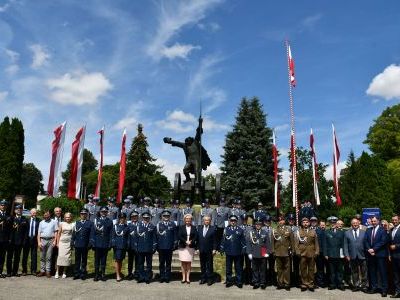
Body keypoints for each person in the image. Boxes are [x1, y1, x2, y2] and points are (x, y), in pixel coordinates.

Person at [364, 215, 389, 297]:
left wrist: (374, 249)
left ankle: (384, 290)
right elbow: (365, 241)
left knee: (382, 272)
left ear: (378, 221)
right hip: (370, 255)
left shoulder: (383, 230)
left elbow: (383, 242)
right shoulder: (368, 230)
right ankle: (373, 288)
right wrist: (369, 249)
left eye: (375, 221)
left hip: (380, 255)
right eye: (372, 221)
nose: (373, 222)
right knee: (372, 272)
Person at [221, 214, 246, 288]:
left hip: (238, 252)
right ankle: (229, 281)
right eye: (231, 220)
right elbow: (223, 240)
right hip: (229, 251)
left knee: (238, 268)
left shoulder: (240, 230)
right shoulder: (226, 229)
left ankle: (239, 281)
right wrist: (222, 247)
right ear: (229, 221)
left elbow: (243, 241)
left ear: (237, 221)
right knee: (228, 268)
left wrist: (244, 249)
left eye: (234, 220)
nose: (233, 222)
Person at [294, 217, 319, 292]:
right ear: (301, 223)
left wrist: (317, 251)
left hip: (311, 253)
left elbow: (316, 243)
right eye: (304, 222)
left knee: (311, 269)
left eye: (307, 222)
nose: (305, 223)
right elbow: (296, 243)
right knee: (303, 269)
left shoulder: (313, 232)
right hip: (302, 254)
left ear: (309, 223)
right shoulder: (298, 232)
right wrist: (297, 252)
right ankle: (304, 284)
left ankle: (311, 284)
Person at [343, 217, 367, 292]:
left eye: (356, 223)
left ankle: (364, 286)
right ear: (351, 224)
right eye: (353, 223)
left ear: (359, 223)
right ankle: (356, 285)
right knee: (354, 271)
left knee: (364, 271)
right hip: (352, 255)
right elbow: (345, 245)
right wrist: (346, 255)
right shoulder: (347, 233)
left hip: (362, 255)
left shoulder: (364, 232)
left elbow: (366, 244)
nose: (355, 224)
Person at [90, 206, 113, 281]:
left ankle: (103, 274)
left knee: (104, 260)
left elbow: (111, 234)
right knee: (96, 260)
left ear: (107, 213)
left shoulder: (109, 221)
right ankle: (96, 274)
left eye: (105, 212)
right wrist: (93, 243)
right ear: (100, 212)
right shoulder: (96, 220)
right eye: (102, 212)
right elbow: (93, 232)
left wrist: (110, 243)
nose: (104, 213)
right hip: (97, 243)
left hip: (105, 243)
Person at [323, 216, 345, 290]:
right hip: (330, 254)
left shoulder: (342, 232)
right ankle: (332, 284)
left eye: (334, 223)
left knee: (340, 270)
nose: (333, 224)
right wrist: (325, 254)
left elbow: (343, 244)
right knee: (331, 271)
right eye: (331, 223)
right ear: (329, 224)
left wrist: (343, 254)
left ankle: (340, 284)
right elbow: (325, 244)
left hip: (339, 254)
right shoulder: (326, 232)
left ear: (336, 224)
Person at [71, 208, 93, 280]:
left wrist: (90, 243)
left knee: (84, 259)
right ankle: (76, 273)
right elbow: (74, 233)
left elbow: (91, 234)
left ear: (87, 215)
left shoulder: (90, 223)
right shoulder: (76, 222)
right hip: (77, 244)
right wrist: (72, 241)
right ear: (80, 214)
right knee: (77, 259)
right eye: (82, 214)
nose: (83, 215)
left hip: (85, 244)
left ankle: (83, 273)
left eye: (85, 214)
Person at [248, 217, 269, 289]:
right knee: (255, 269)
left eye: (259, 224)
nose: (258, 225)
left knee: (263, 269)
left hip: (263, 253)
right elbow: (249, 243)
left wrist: (267, 252)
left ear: (261, 225)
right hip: (254, 253)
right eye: (256, 224)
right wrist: (249, 253)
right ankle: (256, 282)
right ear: (255, 225)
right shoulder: (251, 232)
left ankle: (262, 282)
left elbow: (267, 243)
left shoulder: (264, 232)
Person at [156, 210, 177, 283]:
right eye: (164, 216)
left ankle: (167, 276)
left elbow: (175, 235)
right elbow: (156, 236)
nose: (166, 217)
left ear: (170, 216)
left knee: (168, 263)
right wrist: (156, 245)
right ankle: (162, 276)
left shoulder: (173, 224)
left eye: (167, 216)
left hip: (169, 246)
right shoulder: (159, 224)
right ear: (162, 216)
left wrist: (175, 244)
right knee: (161, 262)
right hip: (161, 247)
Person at [7, 204, 28, 277]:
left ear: (22, 211)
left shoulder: (24, 219)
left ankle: (15, 271)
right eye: (17, 209)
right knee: (9, 257)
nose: (19, 210)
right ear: (15, 210)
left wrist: (24, 241)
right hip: (11, 241)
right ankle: (9, 272)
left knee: (17, 257)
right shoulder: (11, 218)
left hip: (20, 242)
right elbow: (8, 230)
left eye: (20, 209)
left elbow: (26, 232)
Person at [273, 215, 293, 290]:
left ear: (284, 221)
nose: (281, 222)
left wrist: (292, 250)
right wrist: (273, 251)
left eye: (282, 220)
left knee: (287, 268)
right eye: (279, 220)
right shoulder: (275, 230)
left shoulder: (289, 229)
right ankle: (280, 283)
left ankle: (287, 283)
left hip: (286, 252)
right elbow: (273, 241)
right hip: (278, 251)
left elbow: (292, 241)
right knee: (279, 268)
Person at [136, 211, 157, 284]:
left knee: (149, 264)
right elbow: (136, 237)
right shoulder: (138, 226)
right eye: (144, 218)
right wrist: (136, 246)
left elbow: (154, 237)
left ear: (149, 218)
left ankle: (148, 277)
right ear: (142, 218)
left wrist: (154, 246)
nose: (146, 219)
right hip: (140, 248)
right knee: (140, 263)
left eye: (147, 218)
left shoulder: (152, 226)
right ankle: (141, 277)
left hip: (149, 248)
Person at [37, 210, 58, 278]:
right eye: (45, 215)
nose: (46, 216)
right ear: (43, 215)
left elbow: (56, 232)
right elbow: (39, 233)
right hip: (43, 240)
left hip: (51, 240)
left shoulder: (54, 222)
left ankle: (48, 271)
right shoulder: (41, 222)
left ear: (50, 215)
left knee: (49, 257)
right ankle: (42, 271)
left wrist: (55, 241)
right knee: (42, 257)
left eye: (47, 215)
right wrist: (39, 242)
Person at [197, 215, 217, 285]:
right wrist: (197, 248)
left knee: (209, 265)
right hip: (201, 250)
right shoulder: (199, 228)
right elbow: (198, 240)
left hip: (209, 250)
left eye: (208, 220)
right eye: (205, 220)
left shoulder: (213, 229)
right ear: (203, 221)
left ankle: (209, 279)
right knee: (202, 265)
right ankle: (203, 278)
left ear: (210, 221)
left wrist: (214, 249)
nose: (206, 221)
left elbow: (215, 240)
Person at [178, 214, 198, 284]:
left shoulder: (194, 227)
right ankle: (183, 277)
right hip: (183, 247)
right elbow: (179, 236)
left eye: (189, 219)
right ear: (184, 220)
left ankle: (188, 278)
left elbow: (196, 236)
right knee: (183, 263)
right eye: (186, 219)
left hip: (190, 246)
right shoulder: (181, 227)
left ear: (191, 220)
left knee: (189, 263)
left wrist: (191, 241)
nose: (188, 220)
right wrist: (185, 241)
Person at [55, 212, 74, 279]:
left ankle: (64, 272)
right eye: (66, 217)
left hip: (68, 243)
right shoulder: (61, 223)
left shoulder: (73, 224)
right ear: (64, 218)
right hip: (62, 242)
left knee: (67, 257)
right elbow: (58, 233)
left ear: (71, 217)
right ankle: (57, 272)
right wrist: (57, 243)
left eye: (69, 217)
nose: (67, 218)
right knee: (60, 256)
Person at [22, 208, 40, 276]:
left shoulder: (39, 220)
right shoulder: (26, 220)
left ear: (36, 213)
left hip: (35, 240)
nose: (34, 214)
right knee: (25, 256)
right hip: (26, 240)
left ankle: (33, 270)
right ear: (30, 213)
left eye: (35, 212)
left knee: (34, 256)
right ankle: (24, 270)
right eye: (33, 212)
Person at [111, 213, 128, 282]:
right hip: (117, 246)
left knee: (120, 260)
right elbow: (113, 236)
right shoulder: (115, 226)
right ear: (119, 219)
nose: (122, 219)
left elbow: (127, 237)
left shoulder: (127, 227)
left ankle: (119, 273)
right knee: (117, 260)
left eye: (123, 218)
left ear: (125, 219)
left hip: (123, 246)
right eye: (121, 218)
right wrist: (113, 244)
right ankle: (117, 275)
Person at [287, 213, 300, 287]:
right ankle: (289, 281)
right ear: (288, 220)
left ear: (294, 221)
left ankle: (296, 281)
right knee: (288, 267)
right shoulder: (285, 228)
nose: (291, 221)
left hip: (295, 250)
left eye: (292, 220)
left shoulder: (297, 228)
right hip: (287, 250)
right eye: (290, 220)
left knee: (296, 266)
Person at [127, 210, 140, 280]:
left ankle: (137, 273)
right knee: (130, 260)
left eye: (135, 216)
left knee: (138, 260)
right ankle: (129, 273)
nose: (134, 217)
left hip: (138, 246)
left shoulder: (140, 224)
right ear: (131, 217)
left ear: (138, 217)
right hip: (130, 246)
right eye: (133, 216)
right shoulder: (128, 225)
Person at [262, 215, 275, 286]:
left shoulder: (273, 229)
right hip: (264, 250)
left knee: (271, 266)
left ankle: (271, 280)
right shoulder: (261, 229)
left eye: (269, 221)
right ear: (264, 222)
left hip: (271, 250)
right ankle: (264, 280)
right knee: (263, 266)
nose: (267, 222)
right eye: (266, 221)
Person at [315, 220, 328, 288]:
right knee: (320, 268)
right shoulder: (317, 231)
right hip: (319, 253)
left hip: (326, 253)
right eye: (321, 225)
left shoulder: (327, 231)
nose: (322, 226)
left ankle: (326, 281)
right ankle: (320, 282)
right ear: (319, 225)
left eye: (324, 225)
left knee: (327, 268)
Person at [0, 199, 11, 278]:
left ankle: (0, 272)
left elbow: (10, 228)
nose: (3, 206)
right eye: (2, 205)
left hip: (5, 240)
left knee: (2, 256)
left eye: (4, 205)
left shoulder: (8, 215)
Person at [390, 214, 400, 298]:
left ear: (399, 220)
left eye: (395, 220)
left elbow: (394, 245)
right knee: (396, 275)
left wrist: (396, 246)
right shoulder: (392, 229)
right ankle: (397, 291)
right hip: (393, 256)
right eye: (393, 220)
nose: (394, 221)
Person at [51, 206, 63, 275]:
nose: (58, 212)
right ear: (54, 212)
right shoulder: (51, 219)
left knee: (60, 255)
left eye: (59, 211)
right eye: (57, 211)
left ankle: (60, 270)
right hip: (53, 239)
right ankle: (52, 270)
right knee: (52, 255)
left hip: (61, 240)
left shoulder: (64, 219)